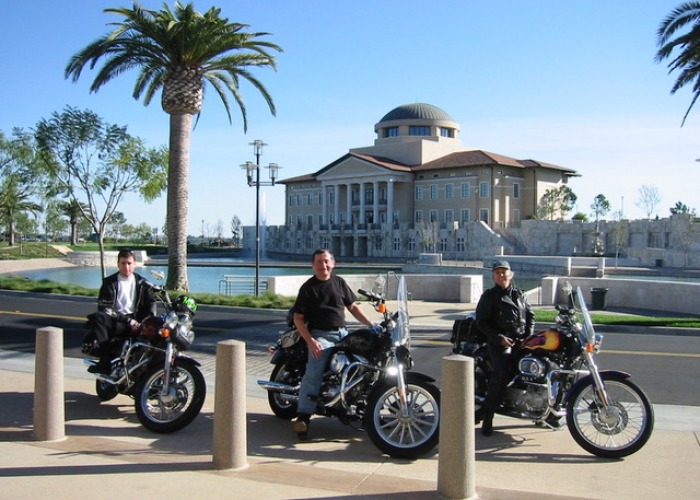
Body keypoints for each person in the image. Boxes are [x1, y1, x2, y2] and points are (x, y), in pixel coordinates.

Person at [291, 249, 374, 439]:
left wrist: (371, 325)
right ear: (313, 265)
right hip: (321, 336)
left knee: (364, 362)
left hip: (343, 334)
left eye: (326, 261)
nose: (323, 265)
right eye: (319, 262)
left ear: (333, 264)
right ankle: (303, 417)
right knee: (313, 371)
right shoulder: (308, 288)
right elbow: (298, 318)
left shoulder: (339, 282)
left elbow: (352, 307)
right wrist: (311, 342)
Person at [475, 260, 534, 436]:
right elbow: (481, 322)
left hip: (520, 341)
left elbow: (530, 315)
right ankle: (488, 416)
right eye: (497, 273)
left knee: (540, 364)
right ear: (493, 276)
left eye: (504, 272)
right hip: (499, 342)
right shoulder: (489, 296)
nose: (501, 275)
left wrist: (529, 336)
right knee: (501, 373)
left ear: (511, 274)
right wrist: (499, 338)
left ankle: (547, 413)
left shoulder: (519, 294)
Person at [86, 249, 157, 374]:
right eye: (123, 263)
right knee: (99, 316)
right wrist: (128, 321)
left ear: (134, 264)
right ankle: (104, 359)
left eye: (129, 263)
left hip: (137, 321)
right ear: (118, 264)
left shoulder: (143, 283)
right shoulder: (109, 282)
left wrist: (145, 322)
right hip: (117, 320)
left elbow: (151, 303)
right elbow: (105, 307)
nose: (126, 267)